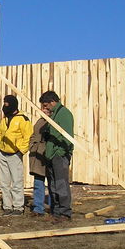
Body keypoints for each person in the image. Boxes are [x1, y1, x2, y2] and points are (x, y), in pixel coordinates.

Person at [39, 90, 74, 221]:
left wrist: (59, 152)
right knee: (53, 184)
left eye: (46, 105)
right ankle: (57, 210)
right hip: (52, 155)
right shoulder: (54, 115)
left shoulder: (64, 114)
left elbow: (66, 136)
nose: (45, 108)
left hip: (59, 155)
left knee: (61, 183)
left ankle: (65, 212)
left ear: (53, 102)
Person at [0, 95, 32, 215]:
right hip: (3, 153)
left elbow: (28, 136)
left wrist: (21, 150)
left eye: (7, 104)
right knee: (4, 182)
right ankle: (7, 206)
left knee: (17, 182)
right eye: (4, 104)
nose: (4, 106)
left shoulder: (23, 119)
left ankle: (18, 207)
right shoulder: (4, 119)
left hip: (15, 154)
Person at [28, 111, 50, 216]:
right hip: (37, 156)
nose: (44, 110)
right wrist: (32, 145)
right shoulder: (40, 121)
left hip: (48, 155)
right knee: (38, 182)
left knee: (52, 183)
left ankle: (53, 206)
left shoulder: (53, 121)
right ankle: (38, 208)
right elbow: (34, 135)